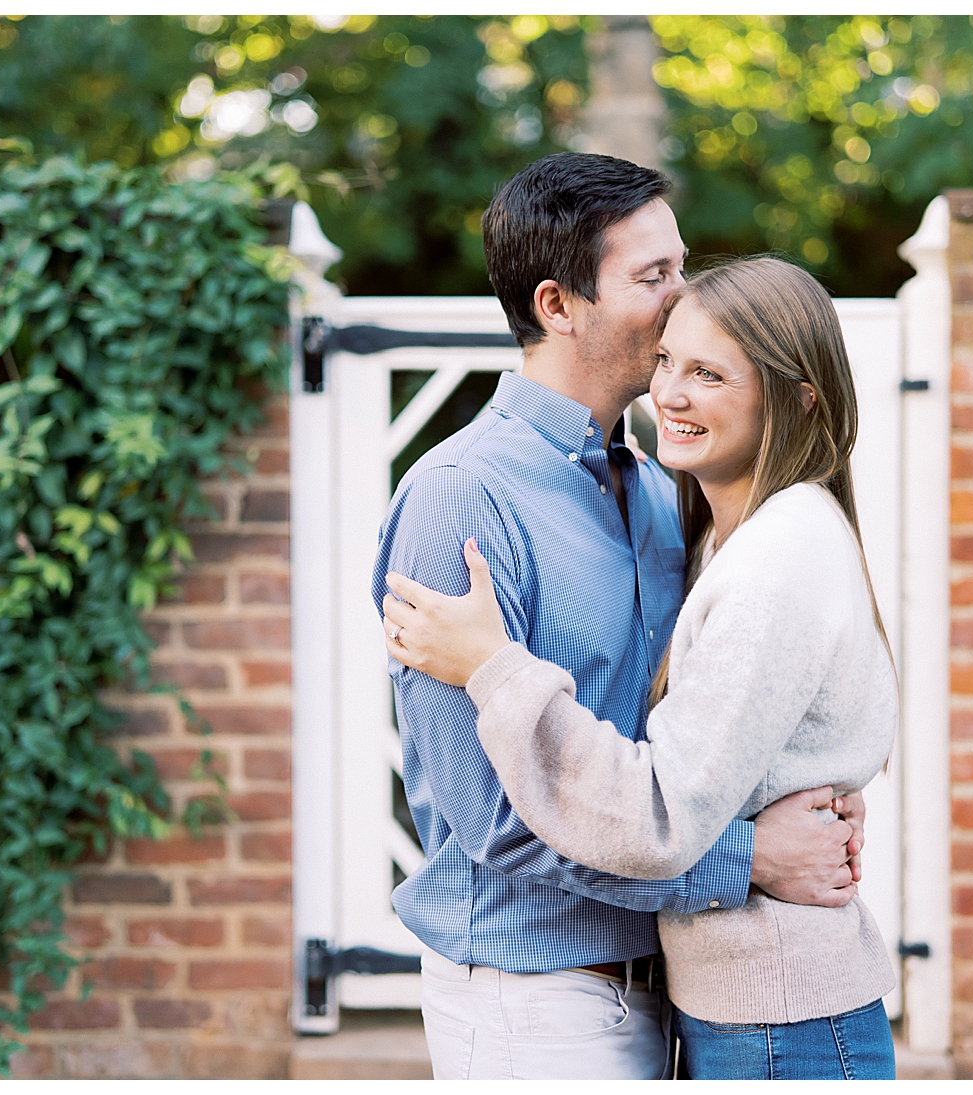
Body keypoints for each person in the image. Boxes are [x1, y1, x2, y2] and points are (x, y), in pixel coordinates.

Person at [370, 154, 868, 1081]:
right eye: (653, 278)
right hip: (536, 996)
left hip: (671, 987)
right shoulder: (459, 498)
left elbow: (685, 745)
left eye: (681, 265)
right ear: (558, 305)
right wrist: (750, 859)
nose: (685, 299)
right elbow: (496, 823)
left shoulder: (653, 487)